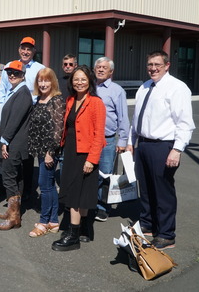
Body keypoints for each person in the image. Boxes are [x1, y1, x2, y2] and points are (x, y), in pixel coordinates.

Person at [126, 50, 195, 250]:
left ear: (167, 65)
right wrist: (132, 141)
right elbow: (137, 119)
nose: (153, 68)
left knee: (163, 191)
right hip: (144, 145)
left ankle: (166, 234)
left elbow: (185, 123)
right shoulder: (145, 86)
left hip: (163, 146)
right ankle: (147, 224)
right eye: (150, 65)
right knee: (146, 188)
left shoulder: (177, 88)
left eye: (157, 64)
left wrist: (177, 149)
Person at [52, 65, 106, 251]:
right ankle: (83, 229)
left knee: (76, 194)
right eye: (76, 79)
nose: (79, 82)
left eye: (83, 79)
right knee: (80, 192)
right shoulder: (70, 100)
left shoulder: (96, 102)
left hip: (85, 153)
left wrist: (92, 159)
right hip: (71, 151)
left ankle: (73, 235)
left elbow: (99, 134)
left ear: (90, 80)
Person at [0, 61, 33, 230]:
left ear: (23, 75)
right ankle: (12, 212)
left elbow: (15, 121)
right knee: (14, 177)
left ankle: (14, 217)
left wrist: (5, 140)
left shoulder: (23, 93)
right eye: (9, 72)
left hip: (14, 143)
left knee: (9, 177)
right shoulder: (15, 91)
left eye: (15, 73)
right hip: (13, 141)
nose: (11, 75)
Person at [27, 68, 65, 237]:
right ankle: (53, 221)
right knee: (49, 185)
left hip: (50, 150)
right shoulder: (39, 99)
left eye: (46, 80)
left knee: (45, 185)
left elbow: (58, 129)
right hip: (41, 149)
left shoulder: (56, 100)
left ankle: (43, 222)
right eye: (40, 80)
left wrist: (50, 151)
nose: (43, 84)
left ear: (53, 82)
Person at [93, 57, 130, 222]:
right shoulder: (89, 86)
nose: (100, 70)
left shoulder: (117, 90)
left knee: (106, 174)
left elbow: (123, 117)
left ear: (111, 72)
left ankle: (102, 207)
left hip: (107, 140)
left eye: (104, 68)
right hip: (90, 139)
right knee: (90, 173)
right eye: (98, 67)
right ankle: (91, 203)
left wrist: (123, 141)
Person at [0, 37, 45, 108]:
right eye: (23, 49)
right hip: (9, 107)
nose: (25, 52)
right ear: (19, 50)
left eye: (28, 49)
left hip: (30, 108)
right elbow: (2, 88)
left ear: (34, 51)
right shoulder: (9, 66)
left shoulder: (40, 69)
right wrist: (2, 106)